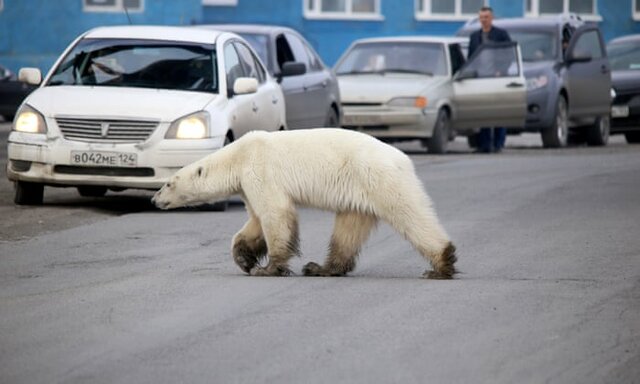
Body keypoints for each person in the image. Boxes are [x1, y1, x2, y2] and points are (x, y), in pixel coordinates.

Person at [468, 6, 511, 153]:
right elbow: (471, 58)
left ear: (491, 18)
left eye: (486, 17)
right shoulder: (475, 36)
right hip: (481, 80)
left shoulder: (501, 34)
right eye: (481, 17)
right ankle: (484, 145)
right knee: (483, 113)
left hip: (497, 79)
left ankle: (498, 144)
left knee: (498, 113)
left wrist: (501, 70)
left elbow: (509, 55)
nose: (483, 20)